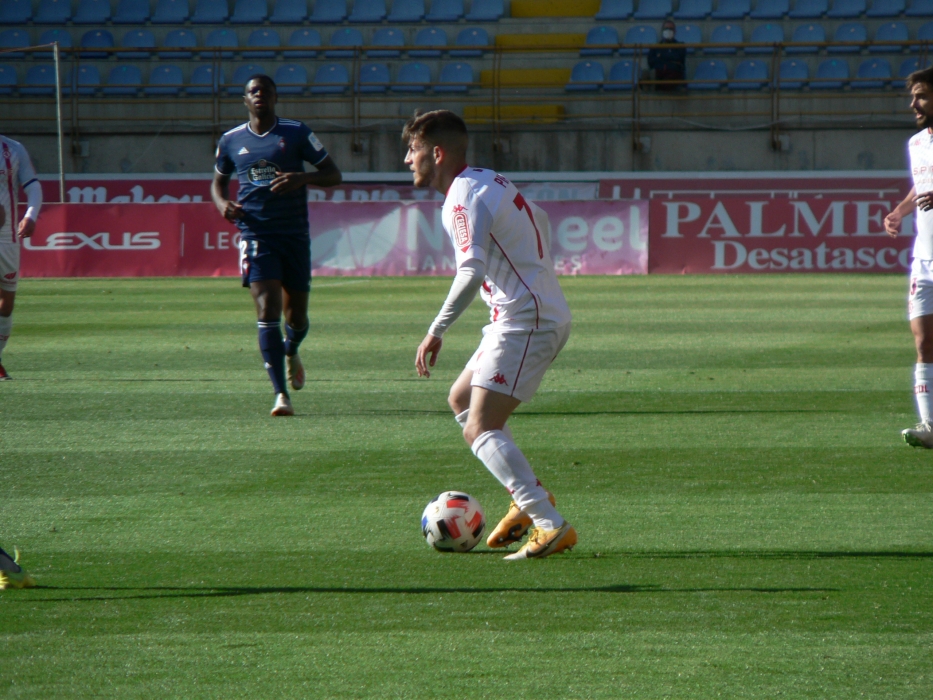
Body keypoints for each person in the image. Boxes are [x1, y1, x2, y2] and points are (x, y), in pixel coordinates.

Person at [404, 110, 576, 560]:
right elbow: (538, 219)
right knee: (461, 401)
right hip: (520, 312)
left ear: (436, 153)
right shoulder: (486, 179)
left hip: (526, 320)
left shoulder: (461, 195)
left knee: (481, 424)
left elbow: (471, 270)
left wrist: (435, 330)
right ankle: (528, 499)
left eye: (413, 149)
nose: (407, 159)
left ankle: (548, 523)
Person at [212, 74, 342, 416]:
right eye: (253, 91)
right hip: (256, 235)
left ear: (275, 97)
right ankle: (281, 395)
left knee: (296, 316)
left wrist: (303, 177)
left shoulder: (296, 132)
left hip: (295, 236)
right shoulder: (230, 140)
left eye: (265, 91)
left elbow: (333, 174)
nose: (260, 96)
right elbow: (217, 183)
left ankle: (291, 349)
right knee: (267, 309)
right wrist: (221, 204)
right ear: (245, 99)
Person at [885, 66, 933, 447]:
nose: (913, 104)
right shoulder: (917, 143)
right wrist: (900, 211)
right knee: (922, 342)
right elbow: (921, 187)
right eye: (914, 96)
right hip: (924, 259)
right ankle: (930, 426)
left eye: (922, 96)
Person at [0, 135, 42, 381]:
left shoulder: (13, 149)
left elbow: (33, 185)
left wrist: (31, 215)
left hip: (7, 239)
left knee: (6, 305)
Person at [647, 20, 686, 91]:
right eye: (666, 28)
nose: (668, 30)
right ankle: (654, 84)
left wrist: (660, 56)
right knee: (651, 73)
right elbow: (650, 61)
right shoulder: (655, 46)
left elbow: (679, 58)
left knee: (673, 76)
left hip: (673, 72)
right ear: (662, 31)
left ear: (675, 31)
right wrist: (669, 57)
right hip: (659, 71)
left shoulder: (680, 45)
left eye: (671, 29)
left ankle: (655, 86)